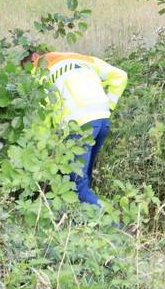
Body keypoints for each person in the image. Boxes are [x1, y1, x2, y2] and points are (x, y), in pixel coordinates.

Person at [23, 49, 127, 206]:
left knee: (78, 187)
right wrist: (109, 105)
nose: (29, 73)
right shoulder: (83, 58)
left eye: (28, 68)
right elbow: (121, 76)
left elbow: (43, 114)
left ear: (35, 58)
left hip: (79, 125)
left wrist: (43, 145)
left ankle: (114, 226)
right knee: (85, 176)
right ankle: (88, 222)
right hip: (102, 117)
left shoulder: (40, 71)